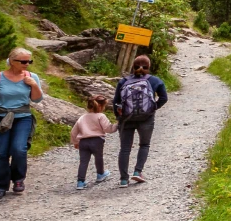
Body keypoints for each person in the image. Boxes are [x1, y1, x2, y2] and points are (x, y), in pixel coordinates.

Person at [0, 48, 43, 200]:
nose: (27, 64)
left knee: (19, 149)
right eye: (24, 61)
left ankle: (18, 179)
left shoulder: (32, 77)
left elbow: (37, 99)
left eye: (29, 61)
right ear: (12, 61)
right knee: (0, 152)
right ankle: (0, 186)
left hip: (23, 117)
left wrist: (34, 85)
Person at [113, 55, 168, 186]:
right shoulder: (155, 81)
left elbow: (115, 102)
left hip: (127, 118)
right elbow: (164, 98)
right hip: (146, 118)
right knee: (144, 145)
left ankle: (123, 179)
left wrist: (119, 118)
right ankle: (137, 172)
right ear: (149, 67)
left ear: (133, 67)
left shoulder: (123, 81)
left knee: (125, 148)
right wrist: (153, 107)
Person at [72, 95, 115, 189]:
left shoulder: (82, 117)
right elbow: (108, 129)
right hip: (97, 140)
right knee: (98, 158)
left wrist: (75, 142)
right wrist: (117, 125)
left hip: (83, 142)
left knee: (83, 161)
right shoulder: (101, 116)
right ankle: (100, 174)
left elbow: (73, 131)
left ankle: (80, 182)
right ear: (101, 106)